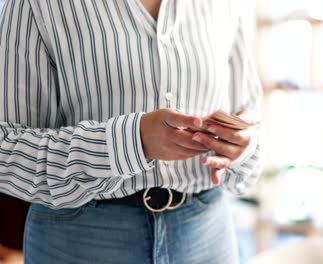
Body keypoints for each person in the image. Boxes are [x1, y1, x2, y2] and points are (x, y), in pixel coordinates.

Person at [0, 0, 262, 263]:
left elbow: (251, 121)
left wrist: (240, 145)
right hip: (80, 241)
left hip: (208, 236)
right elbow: (5, 148)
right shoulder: (37, 5)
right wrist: (130, 142)